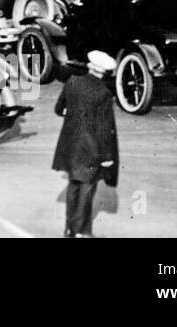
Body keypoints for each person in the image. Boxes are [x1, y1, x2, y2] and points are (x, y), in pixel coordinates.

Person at [53, 51, 119, 238]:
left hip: (71, 145)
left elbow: (59, 109)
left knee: (73, 186)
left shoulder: (72, 82)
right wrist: (107, 157)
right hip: (92, 148)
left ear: (90, 66)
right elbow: (105, 127)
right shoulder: (103, 93)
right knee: (87, 190)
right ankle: (80, 231)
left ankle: (69, 229)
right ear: (104, 73)